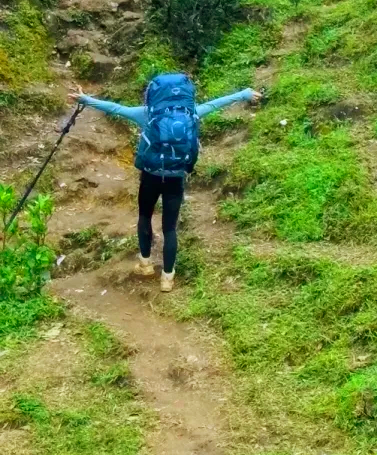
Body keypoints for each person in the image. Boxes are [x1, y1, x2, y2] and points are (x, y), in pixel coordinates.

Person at [69, 73, 261, 292]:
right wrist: (244, 94)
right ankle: (167, 279)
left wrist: (85, 99)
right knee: (170, 228)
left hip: (150, 176)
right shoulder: (191, 114)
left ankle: (146, 264)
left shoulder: (148, 115)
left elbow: (115, 108)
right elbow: (216, 103)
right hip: (176, 177)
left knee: (145, 217)